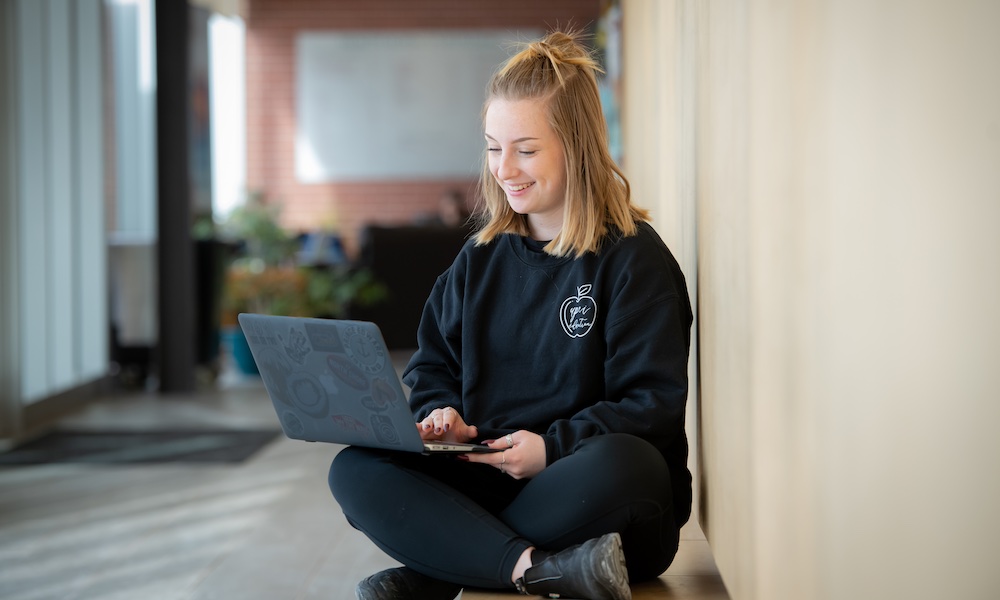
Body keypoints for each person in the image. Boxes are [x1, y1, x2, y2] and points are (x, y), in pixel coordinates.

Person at [329, 29, 693, 600]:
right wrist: (438, 412)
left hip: (588, 492)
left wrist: (551, 448)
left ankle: (441, 565)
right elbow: (431, 367)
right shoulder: (478, 260)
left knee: (631, 464)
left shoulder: (633, 259)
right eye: (494, 147)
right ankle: (537, 569)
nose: (504, 168)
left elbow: (652, 407)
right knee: (354, 468)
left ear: (576, 147)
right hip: (485, 479)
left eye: (525, 149)